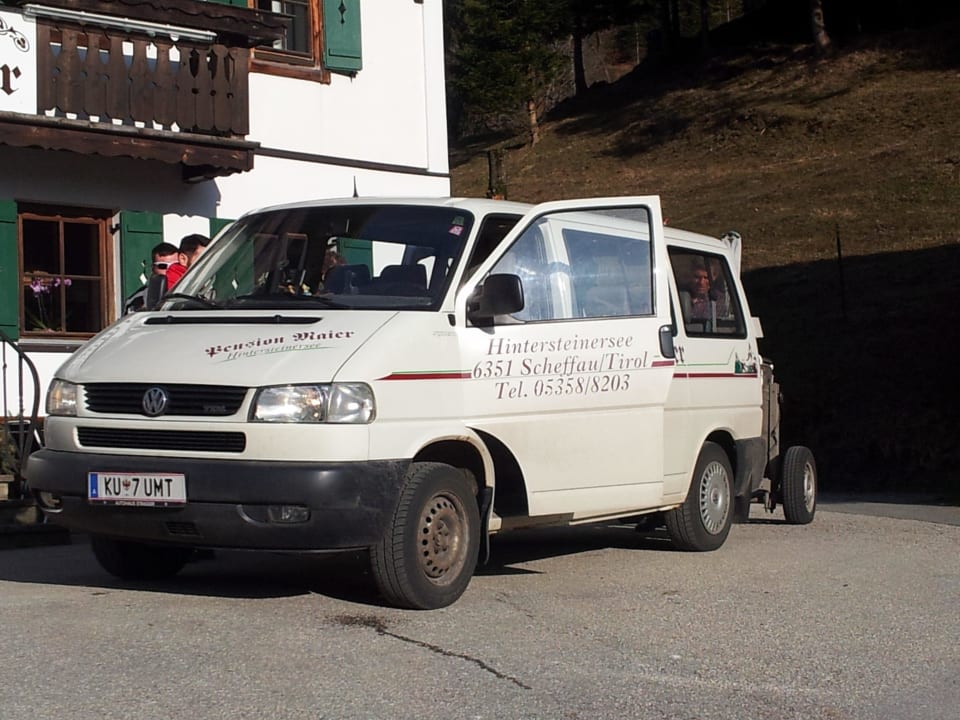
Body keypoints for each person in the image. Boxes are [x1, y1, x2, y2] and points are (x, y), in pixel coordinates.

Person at [123, 242, 178, 314]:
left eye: (175, 265)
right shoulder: (137, 300)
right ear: (153, 268)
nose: (170, 270)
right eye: (162, 266)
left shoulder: (193, 293)